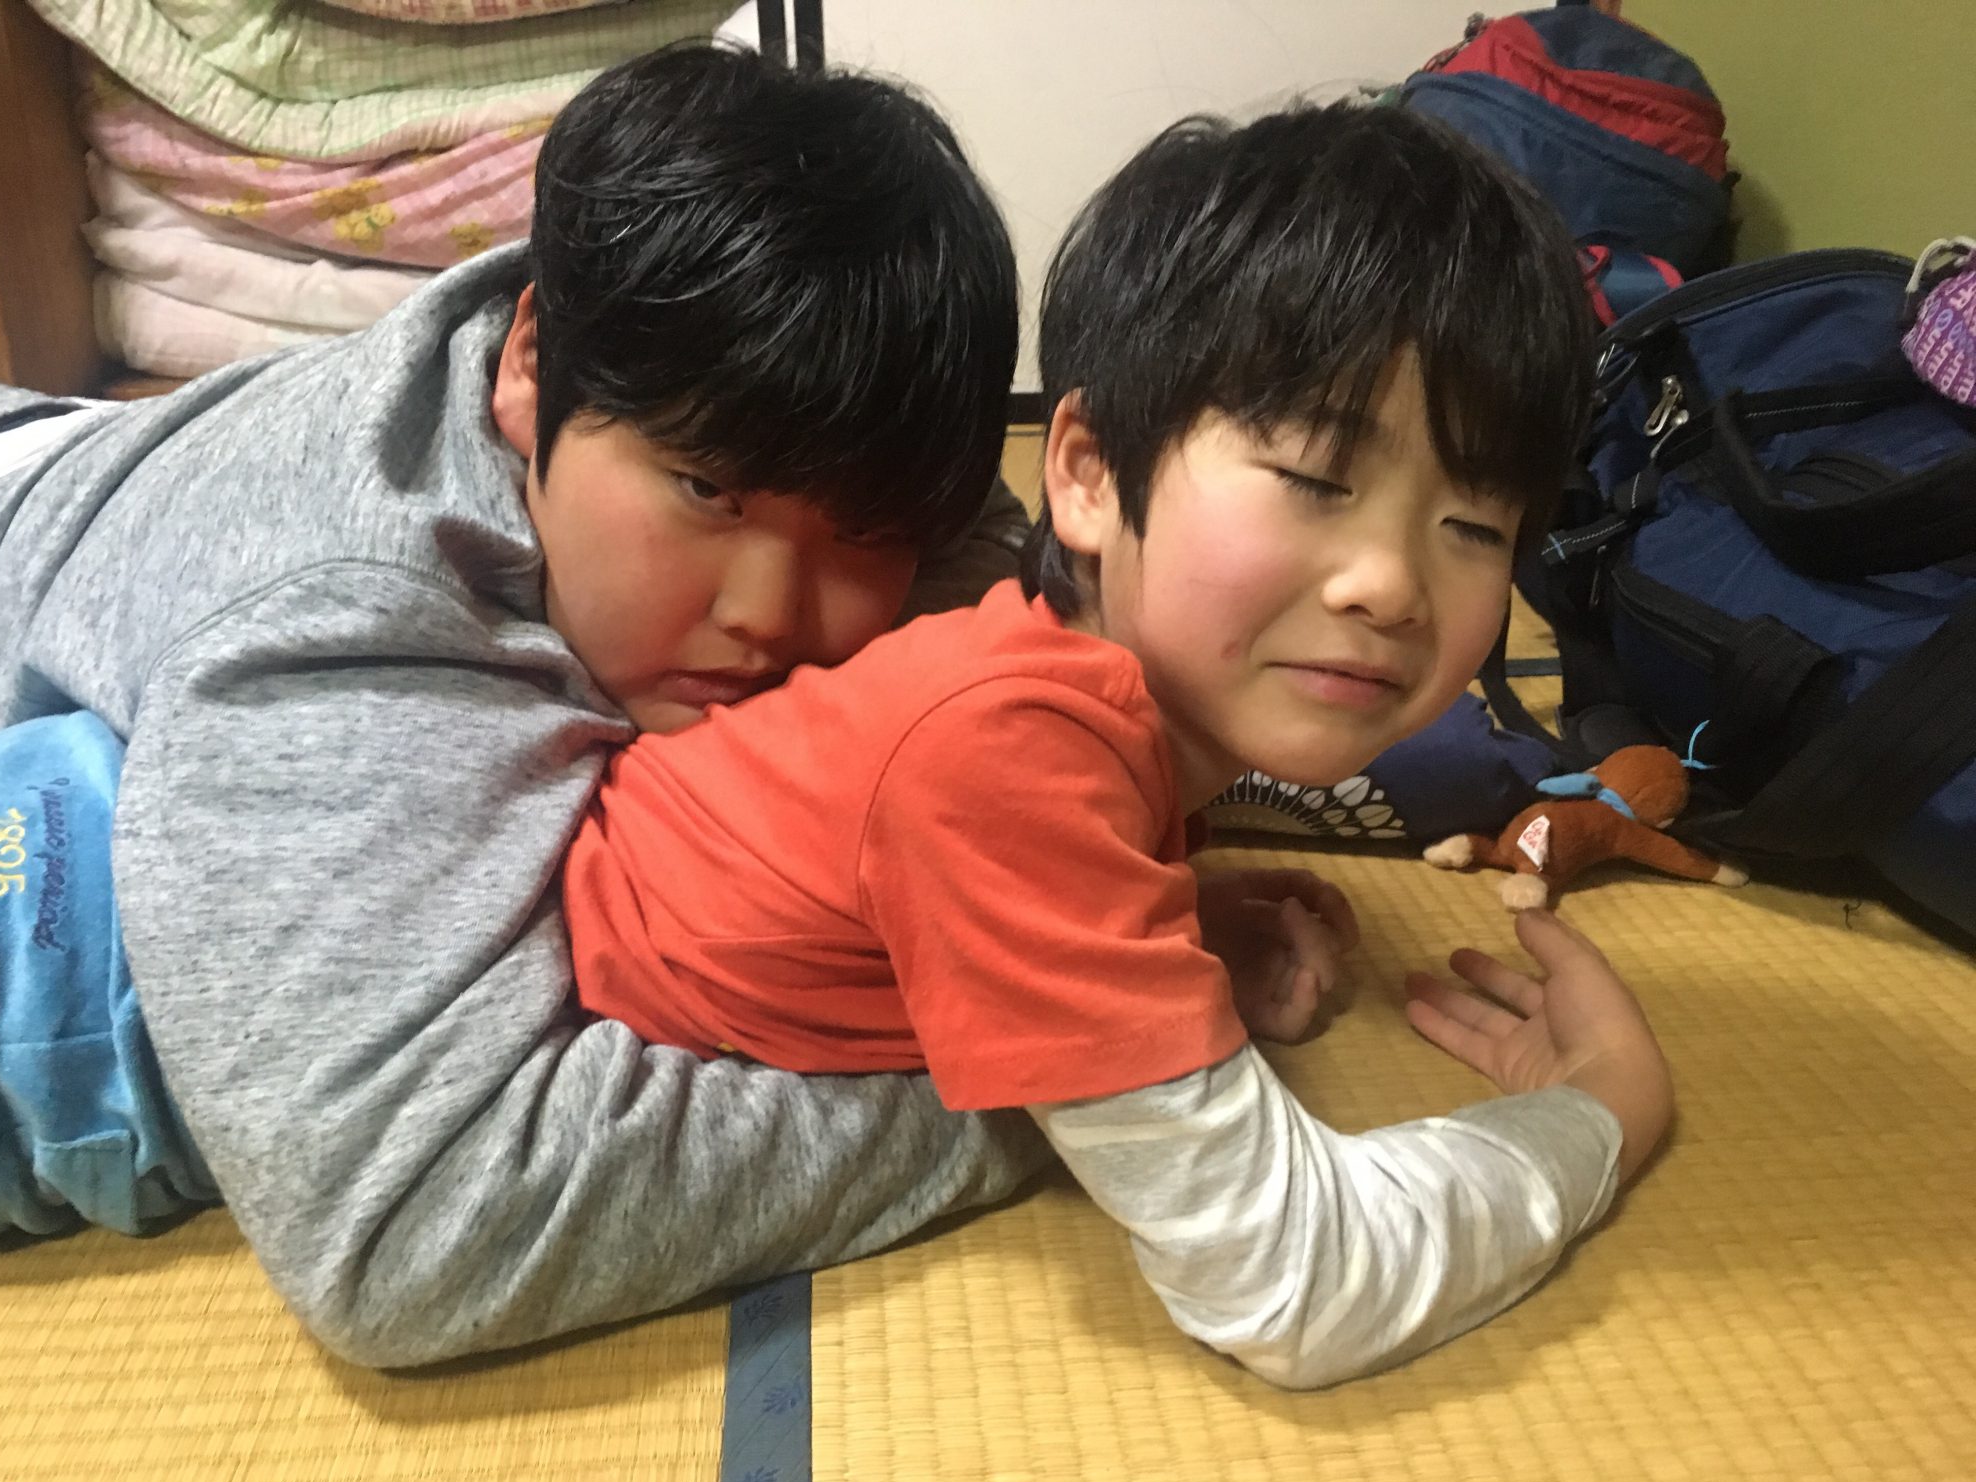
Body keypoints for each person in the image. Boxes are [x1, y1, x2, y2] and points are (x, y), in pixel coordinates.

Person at [0, 43, 1051, 1362]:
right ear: (527, 366)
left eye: (859, 533)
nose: (769, 612)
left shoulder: (710, 373)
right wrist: (1062, 1082)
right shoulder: (354, 618)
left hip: (33, 445)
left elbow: (993, 574)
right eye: (706, 491)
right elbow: (410, 1231)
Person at [556, 102, 1674, 1387]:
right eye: (1315, 479)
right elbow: (1297, 1287)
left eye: (1473, 526)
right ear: (1084, 473)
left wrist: (1165, 925)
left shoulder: (1077, 701)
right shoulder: (1006, 752)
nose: (1388, 586)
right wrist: (1602, 1103)